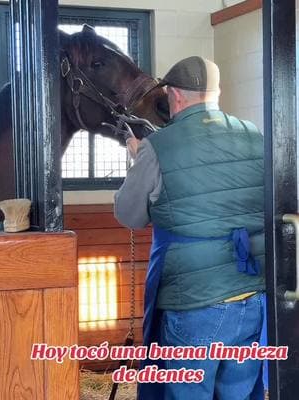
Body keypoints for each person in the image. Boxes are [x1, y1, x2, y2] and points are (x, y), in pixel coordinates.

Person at [114, 56, 265, 400]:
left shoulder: (158, 146)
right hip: (250, 295)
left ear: (174, 96)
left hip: (195, 300)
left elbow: (130, 215)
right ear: (217, 92)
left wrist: (139, 161)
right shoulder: (254, 135)